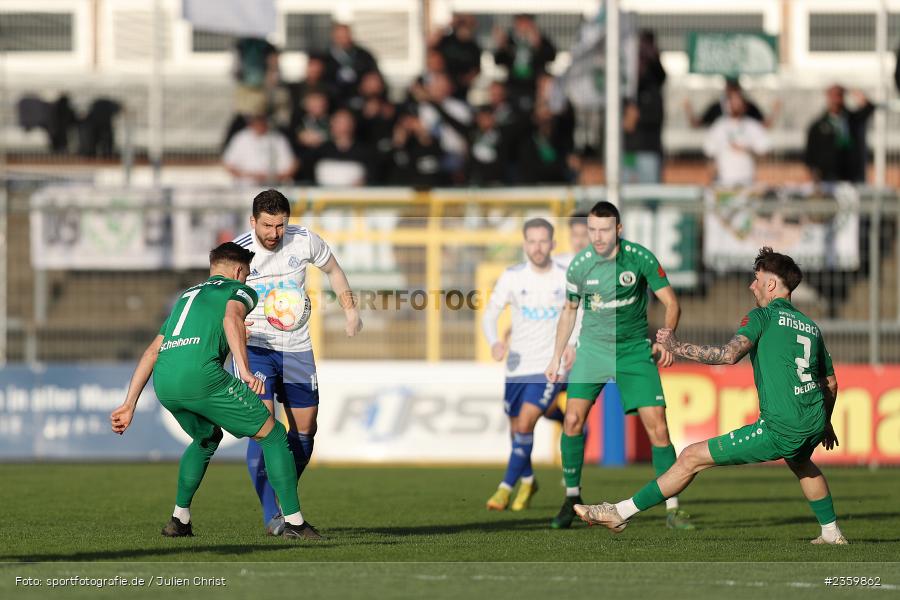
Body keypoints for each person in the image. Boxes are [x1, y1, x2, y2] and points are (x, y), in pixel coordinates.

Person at [574, 247, 847, 546]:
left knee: (691, 456)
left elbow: (728, 355)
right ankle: (832, 533)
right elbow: (830, 383)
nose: (751, 285)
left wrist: (677, 346)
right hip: (812, 419)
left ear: (771, 284)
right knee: (802, 463)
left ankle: (619, 512)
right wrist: (825, 423)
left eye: (756, 279)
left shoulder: (762, 316)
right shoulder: (811, 327)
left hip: (782, 426)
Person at [109, 242, 321, 540]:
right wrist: (245, 371)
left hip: (166, 381)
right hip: (202, 376)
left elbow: (153, 350)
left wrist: (129, 403)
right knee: (273, 435)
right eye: (246, 274)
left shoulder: (186, 297)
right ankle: (296, 524)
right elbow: (232, 318)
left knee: (206, 438)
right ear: (238, 270)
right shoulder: (239, 290)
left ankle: (179, 519)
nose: (246, 281)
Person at [544, 201, 692, 530]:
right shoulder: (580, 266)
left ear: (618, 230)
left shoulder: (639, 258)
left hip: (633, 351)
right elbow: (569, 311)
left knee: (658, 429)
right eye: (592, 230)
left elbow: (671, 302)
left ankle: (673, 508)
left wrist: (665, 338)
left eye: (604, 230)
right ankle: (571, 499)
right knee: (571, 419)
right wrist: (556, 355)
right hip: (593, 350)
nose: (596, 236)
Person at [236, 189, 362, 535]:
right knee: (265, 430)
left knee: (305, 432)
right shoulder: (239, 250)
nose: (274, 233)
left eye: (280, 225)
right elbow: (222, 299)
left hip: (296, 349)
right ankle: (272, 517)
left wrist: (350, 311)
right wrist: (234, 328)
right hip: (256, 349)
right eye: (267, 225)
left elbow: (334, 270)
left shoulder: (304, 240)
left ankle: (281, 494)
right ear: (253, 222)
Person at [482, 218, 576, 512]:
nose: (537, 247)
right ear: (525, 245)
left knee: (525, 423)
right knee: (516, 431)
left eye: (543, 241)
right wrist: (494, 341)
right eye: (532, 241)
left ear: (553, 244)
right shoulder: (512, 277)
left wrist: (573, 344)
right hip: (516, 365)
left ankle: (503, 489)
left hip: (550, 365)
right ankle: (529, 479)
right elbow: (490, 314)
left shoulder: (565, 277)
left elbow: (580, 311)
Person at [804, 85, 874, 184]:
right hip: (828, 176)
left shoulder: (852, 119)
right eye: (833, 96)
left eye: (839, 96)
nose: (836, 100)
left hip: (852, 175)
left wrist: (854, 91)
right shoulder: (818, 125)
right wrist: (814, 175)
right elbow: (810, 154)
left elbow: (869, 107)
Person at [702, 91, 770, 187]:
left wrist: (748, 150)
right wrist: (712, 175)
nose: (736, 105)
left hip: (748, 181)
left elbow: (764, 151)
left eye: (738, 102)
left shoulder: (753, 126)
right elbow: (709, 152)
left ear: (744, 106)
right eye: (733, 102)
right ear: (727, 105)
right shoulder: (719, 126)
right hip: (725, 182)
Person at [493, 14, 557, 112]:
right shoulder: (509, 41)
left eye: (526, 23)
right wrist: (502, 47)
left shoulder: (540, 40)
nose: (523, 26)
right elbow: (498, 61)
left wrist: (538, 44)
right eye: (520, 23)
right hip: (513, 86)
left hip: (534, 86)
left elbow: (551, 57)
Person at [223, 112, 298, 184]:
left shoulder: (278, 138)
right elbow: (229, 165)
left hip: (272, 186)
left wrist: (269, 177)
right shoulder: (240, 138)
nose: (259, 126)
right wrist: (250, 176)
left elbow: (291, 167)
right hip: (245, 187)